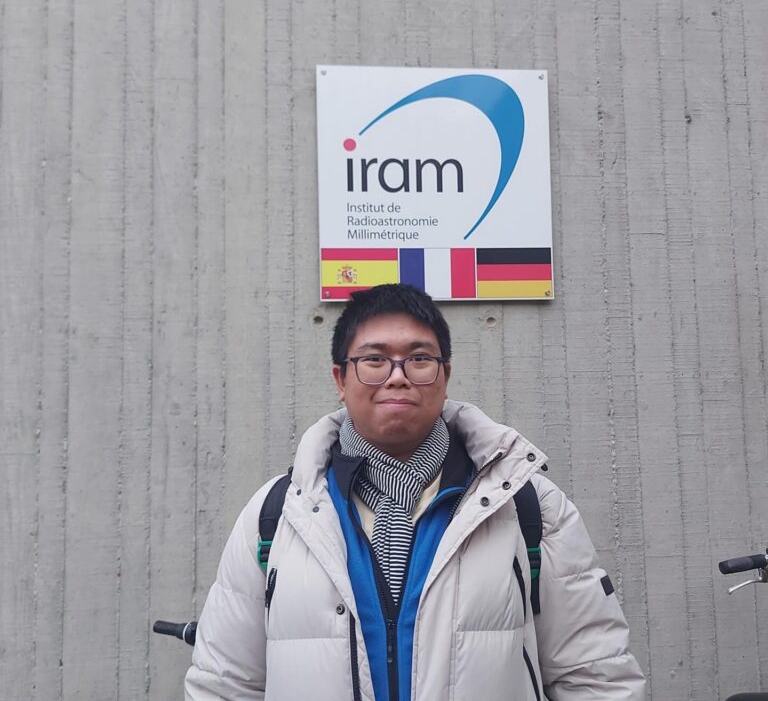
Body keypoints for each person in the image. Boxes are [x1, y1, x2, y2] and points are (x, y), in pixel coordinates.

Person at [185, 284, 646, 701]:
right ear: (340, 380)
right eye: (374, 359)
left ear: (444, 376)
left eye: (419, 359)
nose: (398, 375)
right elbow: (224, 684)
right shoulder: (278, 513)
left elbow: (596, 677)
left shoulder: (526, 504)